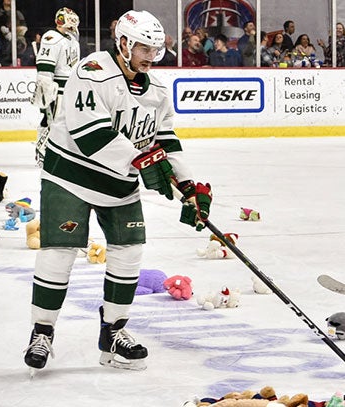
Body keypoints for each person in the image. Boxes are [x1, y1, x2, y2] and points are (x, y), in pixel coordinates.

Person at [23, 9, 212, 374]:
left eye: (155, 50)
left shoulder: (156, 90)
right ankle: (42, 332)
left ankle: (114, 333)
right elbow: (91, 135)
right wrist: (142, 161)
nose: (150, 56)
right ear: (123, 42)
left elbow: (165, 141)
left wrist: (188, 185)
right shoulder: (92, 71)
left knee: (129, 252)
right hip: (70, 176)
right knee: (60, 251)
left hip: (118, 183)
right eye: (143, 47)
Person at [31, 8, 80, 166]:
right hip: (56, 90)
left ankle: (61, 153)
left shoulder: (72, 40)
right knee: (50, 121)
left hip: (69, 90)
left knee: (66, 124)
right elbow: (45, 69)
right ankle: (43, 152)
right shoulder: (51, 38)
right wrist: (45, 90)